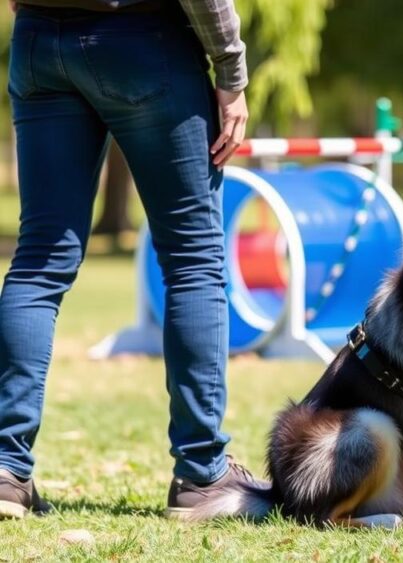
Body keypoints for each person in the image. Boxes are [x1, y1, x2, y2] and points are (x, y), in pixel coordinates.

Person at [0, 0, 265, 520]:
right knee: (193, 259)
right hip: (143, 39)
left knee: (39, 260)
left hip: (37, 41)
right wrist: (231, 69)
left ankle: (5, 468)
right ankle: (202, 471)